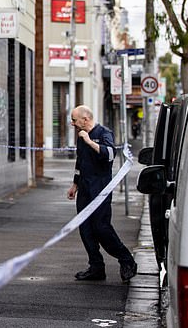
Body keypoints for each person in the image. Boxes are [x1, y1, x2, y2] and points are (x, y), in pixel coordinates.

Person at [66, 105, 137, 282]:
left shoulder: (104, 133)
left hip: (100, 189)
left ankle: (127, 261)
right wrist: (75, 184)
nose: (72, 123)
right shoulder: (80, 137)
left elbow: (110, 155)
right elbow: (80, 161)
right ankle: (96, 267)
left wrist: (90, 141)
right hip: (85, 189)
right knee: (85, 229)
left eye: (74, 120)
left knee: (101, 228)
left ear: (85, 119)